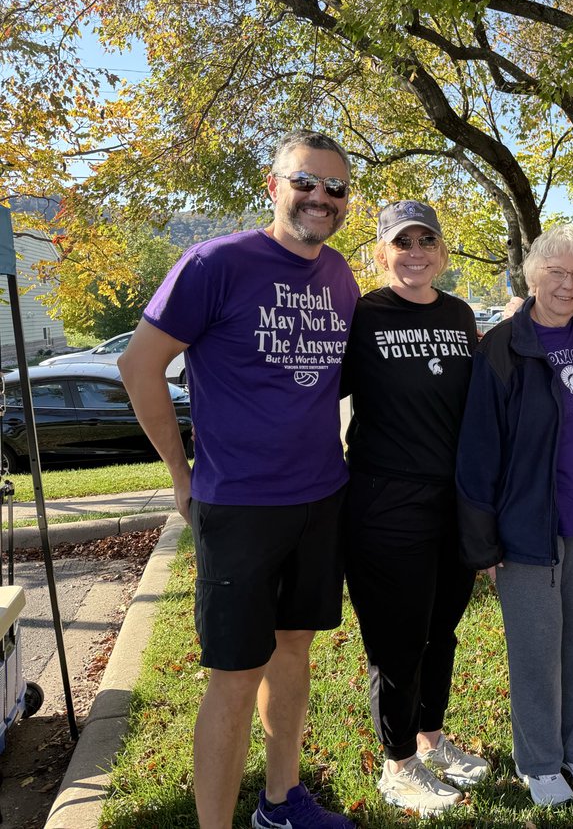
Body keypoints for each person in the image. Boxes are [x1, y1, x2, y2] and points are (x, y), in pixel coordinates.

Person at [119, 131, 361, 829]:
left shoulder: (340, 275)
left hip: (322, 495)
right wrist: (180, 473)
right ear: (273, 184)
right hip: (240, 506)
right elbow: (139, 366)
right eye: (306, 181)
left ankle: (281, 801)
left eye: (336, 188)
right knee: (233, 675)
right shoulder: (214, 263)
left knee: (294, 648)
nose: (320, 197)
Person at [457, 227, 573, 807]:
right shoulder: (503, 347)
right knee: (535, 649)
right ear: (532, 276)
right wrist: (483, 543)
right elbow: (478, 451)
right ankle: (540, 760)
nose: (568, 285)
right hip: (527, 527)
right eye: (556, 273)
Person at [340, 201, 488, 816]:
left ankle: (431, 738)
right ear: (382, 253)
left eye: (427, 240)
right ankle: (397, 764)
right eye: (403, 243)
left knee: (441, 630)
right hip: (385, 501)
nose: (416, 252)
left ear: (442, 251)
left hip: (452, 502)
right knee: (397, 639)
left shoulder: (458, 315)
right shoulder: (362, 315)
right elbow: (312, 392)